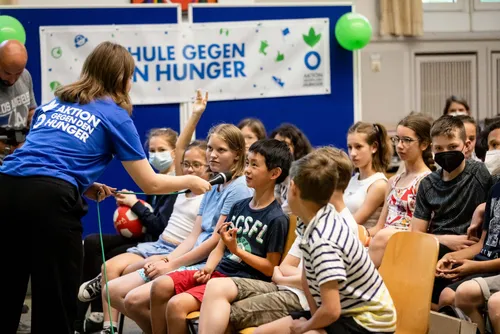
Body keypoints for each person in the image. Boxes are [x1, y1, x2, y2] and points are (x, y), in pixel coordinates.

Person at [0, 41, 211, 334]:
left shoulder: (54, 103)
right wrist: (190, 180)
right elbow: (149, 182)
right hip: (50, 201)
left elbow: (42, 156)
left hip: (7, 187)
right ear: (121, 78)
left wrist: (83, 184)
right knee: (55, 298)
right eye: (130, 76)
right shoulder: (114, 115)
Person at [104, 122, 253, 334]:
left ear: (237, 155)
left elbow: (214, 241)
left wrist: (172, 263)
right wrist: (167, 260)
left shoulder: (238, 188)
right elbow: (195, 235)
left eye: (221, 150)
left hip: (207, 263)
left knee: (135, 299)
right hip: (188, 255)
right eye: (210, 148)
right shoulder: (214, 182)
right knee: (115, 291)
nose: (213, 155)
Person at [149, 138, 292, 334]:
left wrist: (237, 251)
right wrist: (207, 269)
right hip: (219, 272)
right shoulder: (238, 206)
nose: (247, 170)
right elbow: (220, 247)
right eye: (248, 163)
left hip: (242, 280)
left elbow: (270, 269)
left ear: (274, 173)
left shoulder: (277, 219)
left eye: (255, 165)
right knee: (160, 285)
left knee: (176, 305)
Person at [285, 149, 396, 333]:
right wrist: (313, 320)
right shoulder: (311, 221)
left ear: (294, 188)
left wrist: (305, 327)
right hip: (343, 313)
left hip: (369, 323)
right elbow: (307, 279)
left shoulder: (323, 241)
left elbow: (331, 310)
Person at [367, 114, 434, 267]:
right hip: (382, 241)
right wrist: (358, 234)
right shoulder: (393, 181)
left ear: (423, 144)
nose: (400, 145)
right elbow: (380, 226)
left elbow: (418, 230)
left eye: (407, 140)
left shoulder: (426, 181)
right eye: (397, 139)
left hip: (404, 245)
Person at [344, 122, 391, 227]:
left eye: (358, 147)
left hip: (362, 240)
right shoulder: (353, 179)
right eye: (350, 147)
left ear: (373, 147)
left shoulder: (379, 184)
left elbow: (354, 222)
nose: (352, 153)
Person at [0, 40, 37, 163]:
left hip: (21, 154)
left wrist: (34, 120)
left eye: (18, 73)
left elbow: (31, 108)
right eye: (7, 73)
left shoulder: (25, 75)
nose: (12, 80)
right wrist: (11, 150)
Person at [270, 123, 313, 213]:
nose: (278, 150)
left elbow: (288, 210)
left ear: (297, 147)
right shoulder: (276, 171)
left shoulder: (305, 172)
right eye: (275, 145)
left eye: (285, 144)